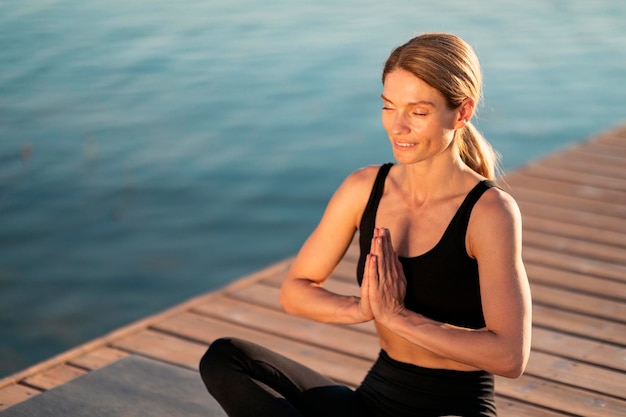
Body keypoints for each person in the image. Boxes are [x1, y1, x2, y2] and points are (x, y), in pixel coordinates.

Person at [199, 32, 532, 417]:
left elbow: (509, 356)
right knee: (225, 359)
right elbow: (295, 291)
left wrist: (399, 317)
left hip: (453, 407)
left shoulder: (489, 212)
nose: (397, 126)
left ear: (462, 112)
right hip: (376, 397)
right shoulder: (363, 189)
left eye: (418, 112)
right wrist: (361, 308)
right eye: (389, 107)